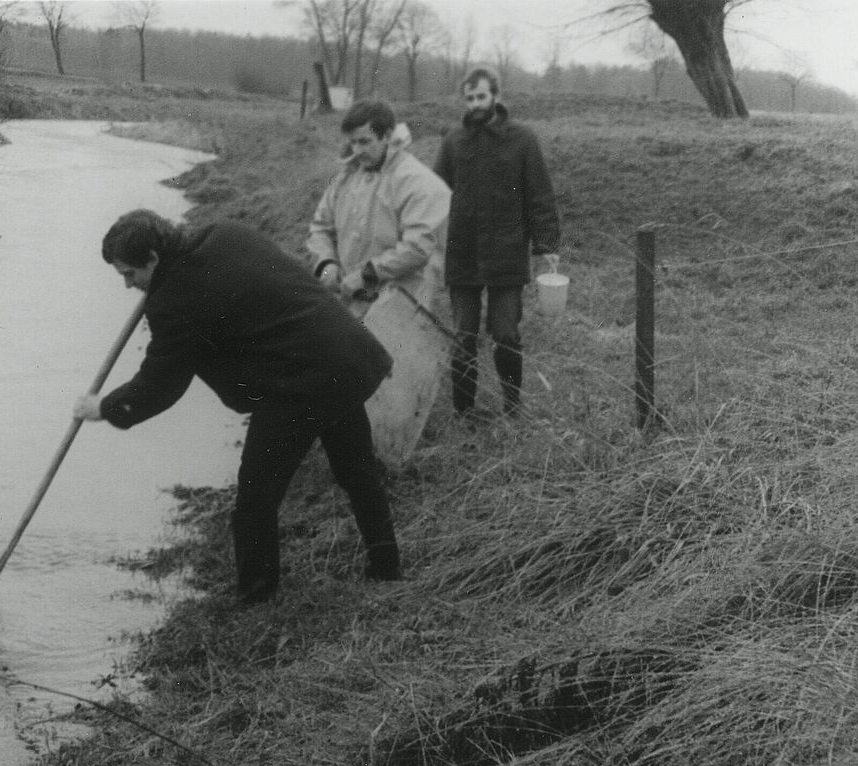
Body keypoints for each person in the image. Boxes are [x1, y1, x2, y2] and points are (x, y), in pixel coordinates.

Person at [73, 209, 402, 606]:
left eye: (130, 273)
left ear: (155, 258)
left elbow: (162, 385)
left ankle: (256, 600)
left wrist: (105, 408)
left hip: (299, 383)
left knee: (255, 500)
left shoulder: (173, 299)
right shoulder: (225, 233)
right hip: (345, 357)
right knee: (358, 472)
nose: (128, 285)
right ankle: (388, 572)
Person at [434, 66, 561, 418]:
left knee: (506, 334)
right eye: (470, 97)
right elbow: (432, 194)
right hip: (462, 254)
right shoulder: (453, 140)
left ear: (496, 97)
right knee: (464, 337)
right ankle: (464, 413)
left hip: (506, 254)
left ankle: (512, 406)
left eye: (481, 96)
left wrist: (547, 245)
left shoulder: (522, 139)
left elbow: (540, 195)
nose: (475, 104)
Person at [307, 99, 450, 318]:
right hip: (350, 302)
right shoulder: (346, 176)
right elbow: (319, 227)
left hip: (397, 308)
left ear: (388, 135)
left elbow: (418, 247)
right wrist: (326, 264)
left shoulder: (417, 181)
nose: (357, 150)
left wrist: (368, 275)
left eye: (365, 141)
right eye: (353, 142)